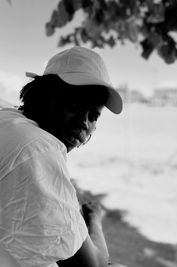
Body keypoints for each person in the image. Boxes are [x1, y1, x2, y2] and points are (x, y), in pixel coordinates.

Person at [0, 46, 125, 267]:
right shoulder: (38, 149)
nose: (84, 122)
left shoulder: (9, 118)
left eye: (93, 115)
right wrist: (95, 220)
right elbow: (93, 265)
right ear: (43, 96)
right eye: (75, 104)